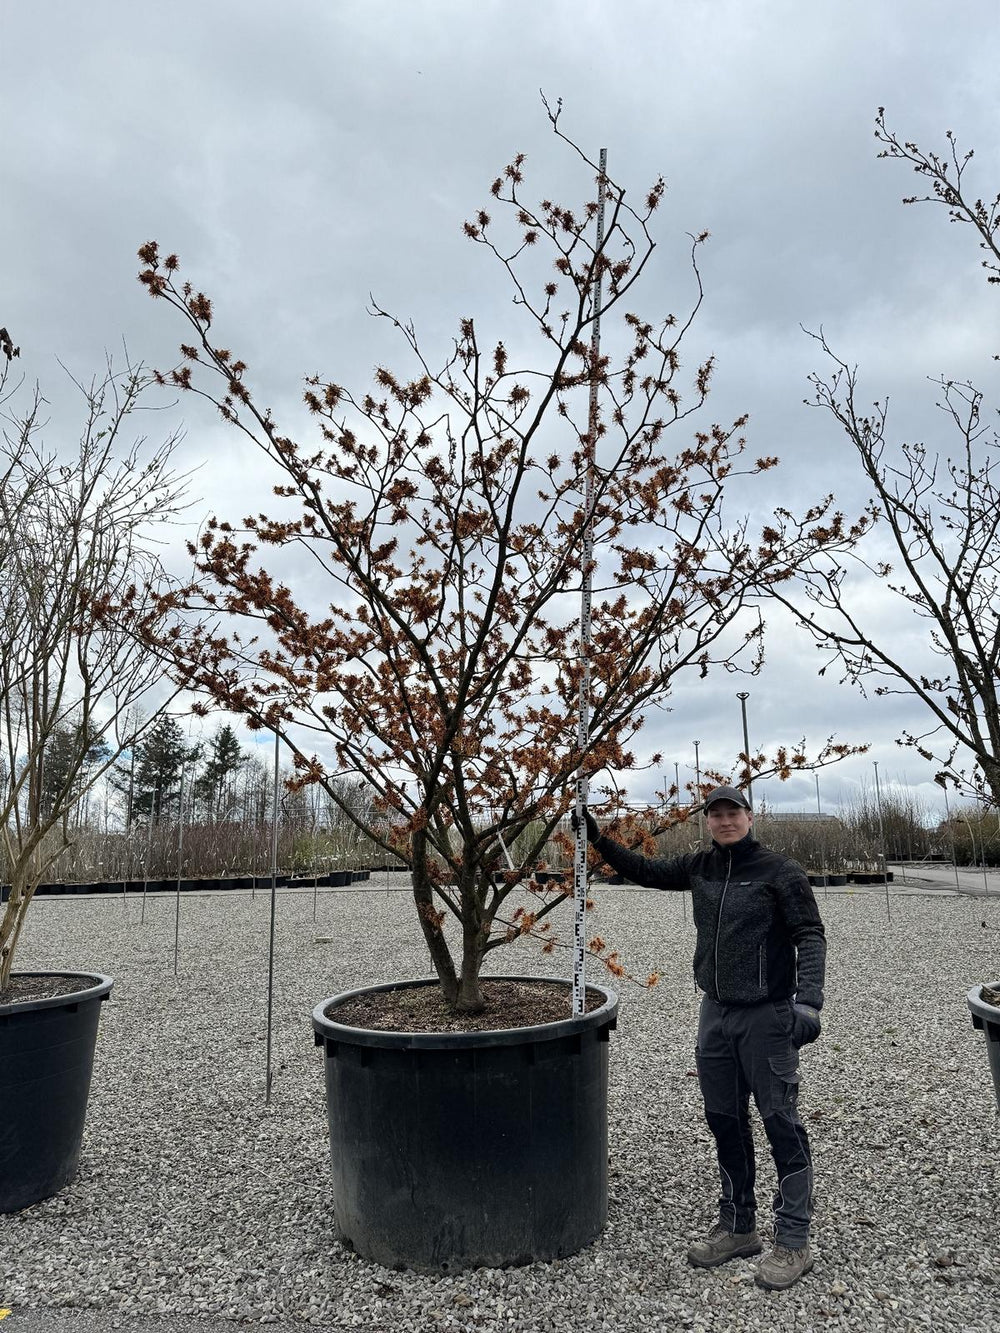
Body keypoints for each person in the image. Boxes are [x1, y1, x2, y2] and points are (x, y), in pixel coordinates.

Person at [580, 785, 825, 1292]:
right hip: (715, 1014)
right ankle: (739, 1226)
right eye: (715, 814)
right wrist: (599, 839)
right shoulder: (700, 867)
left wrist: (808, 1003)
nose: (725, 821)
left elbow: (810, 935)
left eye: (733, 812)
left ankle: (794, 1238)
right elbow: (645, 872)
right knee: (724, 1119)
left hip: (767, 1016)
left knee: (780, 1118)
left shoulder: (781, 872)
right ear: (707, 822)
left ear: (749, 817)